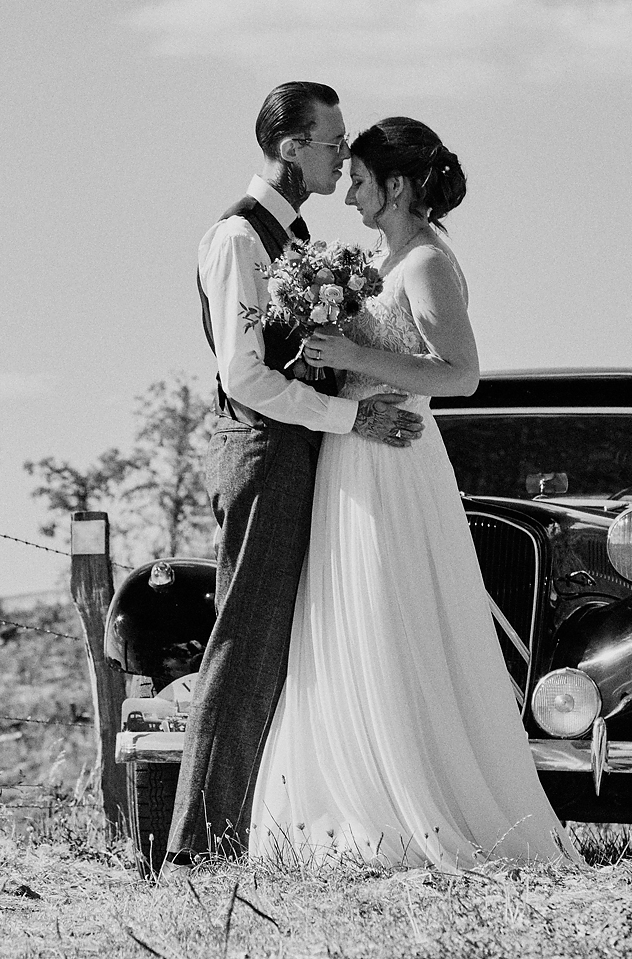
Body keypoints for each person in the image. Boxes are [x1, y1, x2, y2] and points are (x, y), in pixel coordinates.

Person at [249, 118, 581, 870]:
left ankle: (415, 806)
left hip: (396, 460)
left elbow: (460, 373)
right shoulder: (381, 261)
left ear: (395, 186)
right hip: (350, 454)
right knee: (348, 617)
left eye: (361, 182)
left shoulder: (427, 261)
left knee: (391, 617)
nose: (350, 196)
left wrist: (353, 353)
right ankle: (350, 798)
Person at [162, 84, 425, 880]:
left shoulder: (296, 237)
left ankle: (257, 828)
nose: (343, 156)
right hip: (264, 448)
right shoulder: (240, 239)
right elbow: (243, 375)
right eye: (332, 142)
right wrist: (352, 418)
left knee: (287, 642)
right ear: (289, 147)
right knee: (246, 639)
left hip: (301, 446)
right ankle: (196, 846)